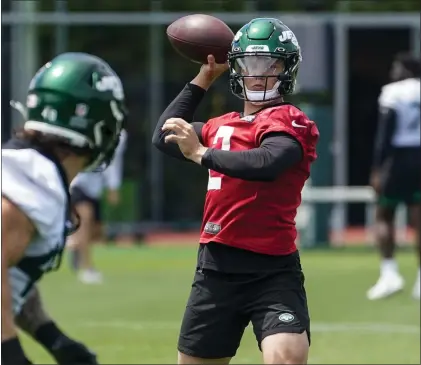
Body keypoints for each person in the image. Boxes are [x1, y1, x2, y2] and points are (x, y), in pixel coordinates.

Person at [153, 18, 319, 365]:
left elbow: (268, 161)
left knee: (286, 359)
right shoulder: (220, 125)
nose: (258, 74)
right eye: (249, 64)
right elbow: (162, 135)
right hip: (216, 269)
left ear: (286, 70)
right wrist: (203, 78)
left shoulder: (291, 119)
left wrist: (200, 153)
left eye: (269, 65)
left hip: (272, 269)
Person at [2, 52, 127, 364]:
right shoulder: (32, 185)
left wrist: (52, 337)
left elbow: (12, 272)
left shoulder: (29, 170)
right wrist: (9, 353)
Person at [368, 52, 421, 301]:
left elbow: (385, 131)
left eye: (396, 67)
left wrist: (378, 168)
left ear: (406, 70)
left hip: (399, 157)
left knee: (384, 213)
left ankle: (390, 274)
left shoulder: (393, 92)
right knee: (418, 215)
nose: (393, 72)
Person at [67, 128, 128, 284]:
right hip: (78, 184)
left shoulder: (118, 136)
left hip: (95, 189)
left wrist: (113, 187)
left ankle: (75, 244)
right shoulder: (85, 129)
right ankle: (87, 269)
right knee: (85, 220)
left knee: (97, 232)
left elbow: (113, 162)